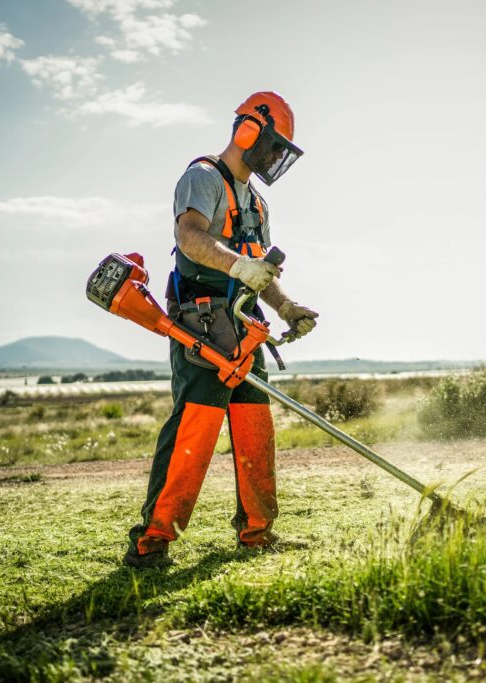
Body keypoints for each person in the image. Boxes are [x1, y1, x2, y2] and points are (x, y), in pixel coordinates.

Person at [124, 91, 318, 568]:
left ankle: (257, 532)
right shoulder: (203, 178)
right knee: (194, 434)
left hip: (245, 330)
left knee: (255, 430)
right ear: (249, 130)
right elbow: (188, 235)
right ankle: (151, 542)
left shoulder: (257, 203)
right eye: (274, 146)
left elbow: (262, 275)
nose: (275, 158)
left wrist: (289, 308)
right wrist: (239, 266)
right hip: (202, 327)